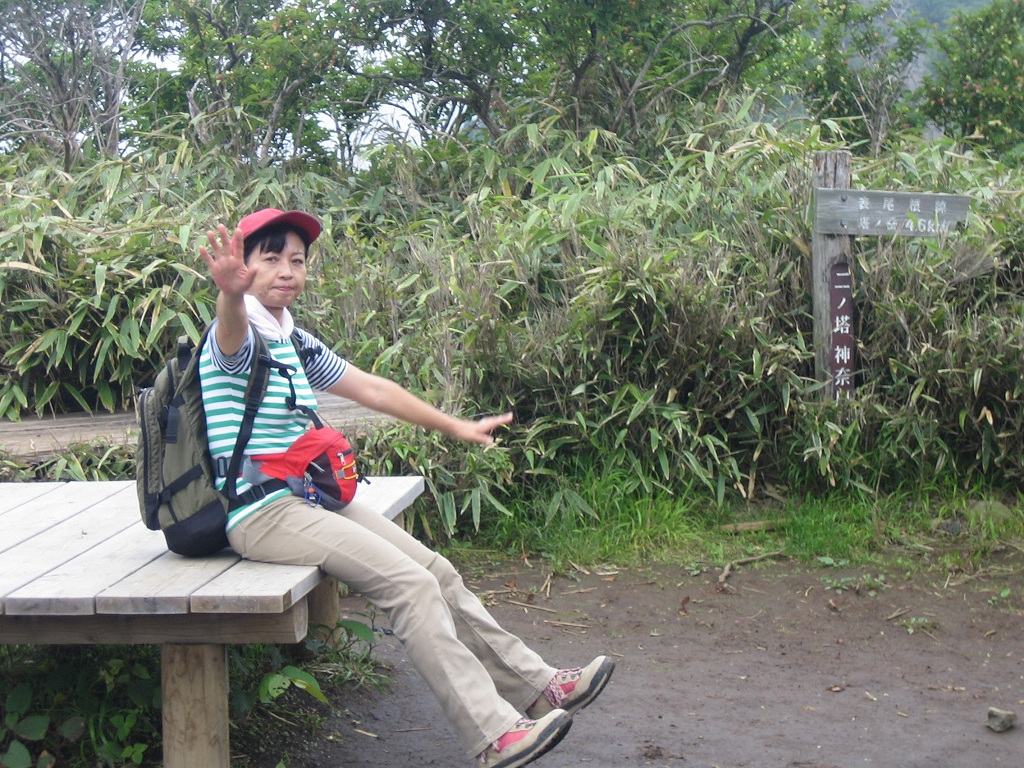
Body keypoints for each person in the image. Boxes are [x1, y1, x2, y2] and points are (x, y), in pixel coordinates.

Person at [198, 208, 615, 768]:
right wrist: (228, 295)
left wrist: (455, 425)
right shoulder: (239, 336)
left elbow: (372, 389)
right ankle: (494, 734)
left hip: (305, 499)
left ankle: (537, 687)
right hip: (262, 513)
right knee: (410, 586)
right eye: (270, 258)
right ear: (242, 266)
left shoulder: (291, 338)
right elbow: (229, 333)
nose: (287, 271)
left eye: (296, 260)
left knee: (435, 571)